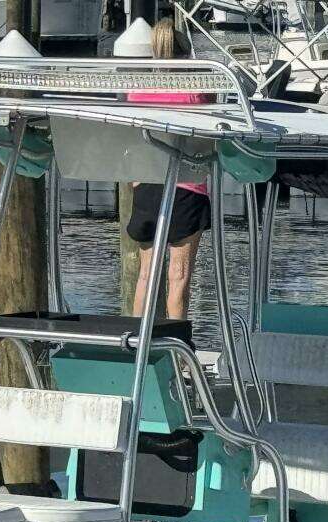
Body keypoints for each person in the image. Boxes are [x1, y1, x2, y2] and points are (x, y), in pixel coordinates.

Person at [127, 18, 210, 320]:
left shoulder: (137, 93)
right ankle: (179, 346)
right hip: (187, 189)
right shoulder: (194, 93)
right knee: (179, 276)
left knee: (146, 276)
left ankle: (136, 341)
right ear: (186, 57)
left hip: (147, 187)